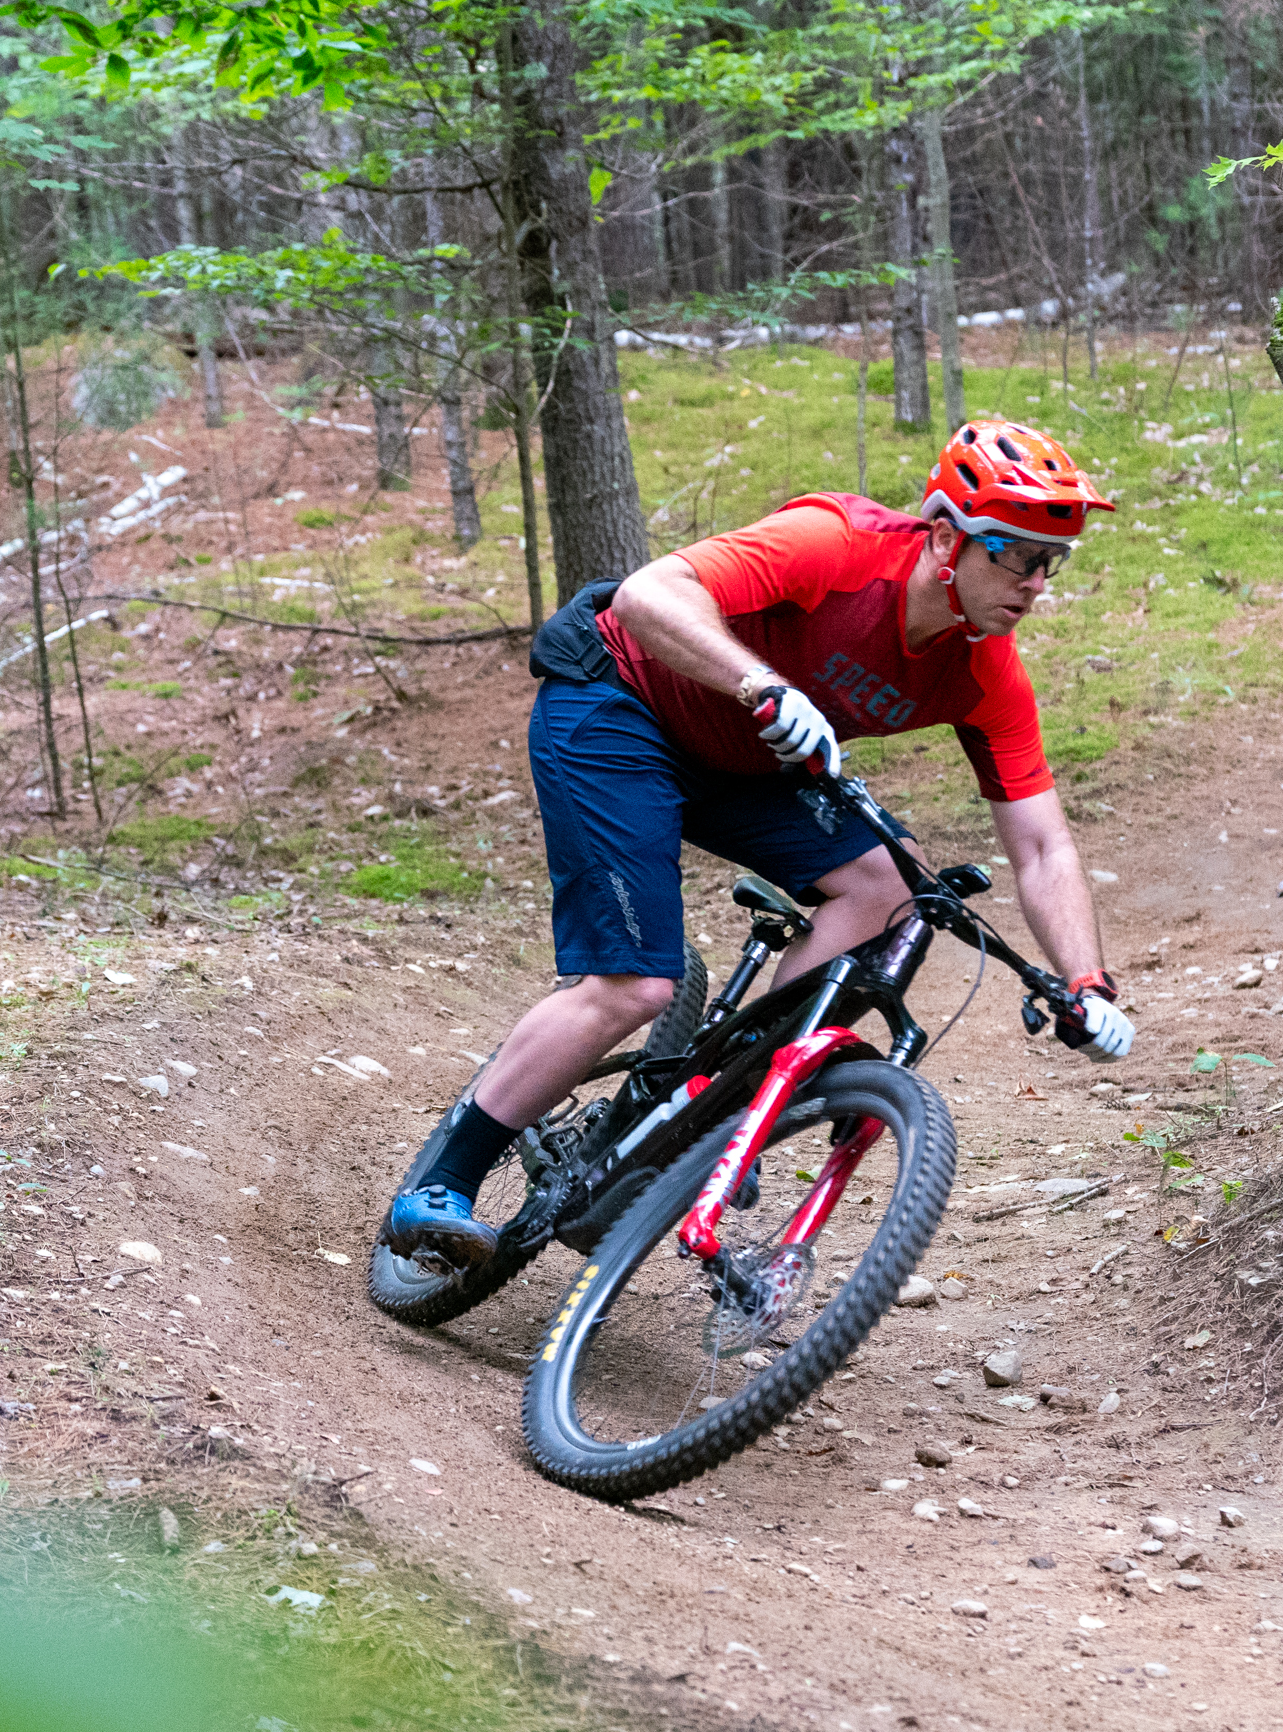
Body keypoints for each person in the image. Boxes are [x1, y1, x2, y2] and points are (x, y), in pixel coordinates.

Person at [384, 418, 1138, 1270]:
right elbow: (646, 595)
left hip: (747, 760)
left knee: (895, 893)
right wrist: (762, 683)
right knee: (635, 984)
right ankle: (441, 1186)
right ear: (943, 539)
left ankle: (714, 1100)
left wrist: (1085, 982)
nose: (1036, 582)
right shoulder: (839, 543)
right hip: (616, 702)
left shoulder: (984, 672)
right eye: (1015, 553)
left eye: (1052, 562)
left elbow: (1041, 848)